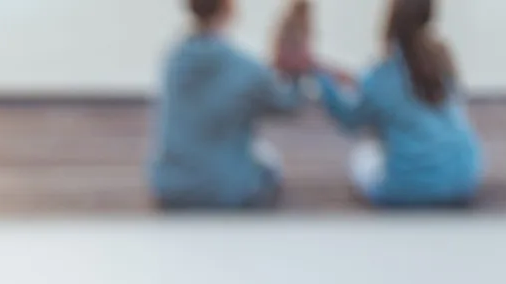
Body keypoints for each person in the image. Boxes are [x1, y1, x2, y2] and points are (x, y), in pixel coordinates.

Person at [314, 0, 481, 207]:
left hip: (408, 188)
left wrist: (321, 78)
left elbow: (351, 119)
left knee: (363, 158)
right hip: (463, 179)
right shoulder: (442, 59)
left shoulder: (381, 73)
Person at [150, 0, 313, 210]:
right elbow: (289, 104)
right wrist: (296, 70)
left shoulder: (173, 60)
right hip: (226, 190)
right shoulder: (245, 67)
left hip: (171, 186)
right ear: (228, 8)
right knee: (269, 165)